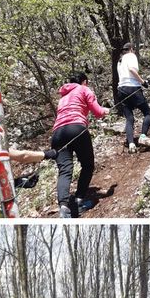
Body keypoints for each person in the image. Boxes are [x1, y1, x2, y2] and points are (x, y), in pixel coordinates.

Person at [51, 72, 108, 218]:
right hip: (76, 128)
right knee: (88, 165)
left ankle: (63, 207)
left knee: (64, 170)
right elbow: (98, 112)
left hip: (57, 133)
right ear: (84, 81)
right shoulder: (84, 89)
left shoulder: (63, 97)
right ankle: (79, 200)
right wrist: (105, 110)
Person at [116, 43, 150, 153]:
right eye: (133, 49)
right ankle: (143, 136)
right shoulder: (131, 56)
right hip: (133, 88)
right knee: (148, 113)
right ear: (131, 49)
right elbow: (132, 70)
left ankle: (131, 144)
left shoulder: (120, 61)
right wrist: (143, 82)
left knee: (129, 118)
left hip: (121, 90)